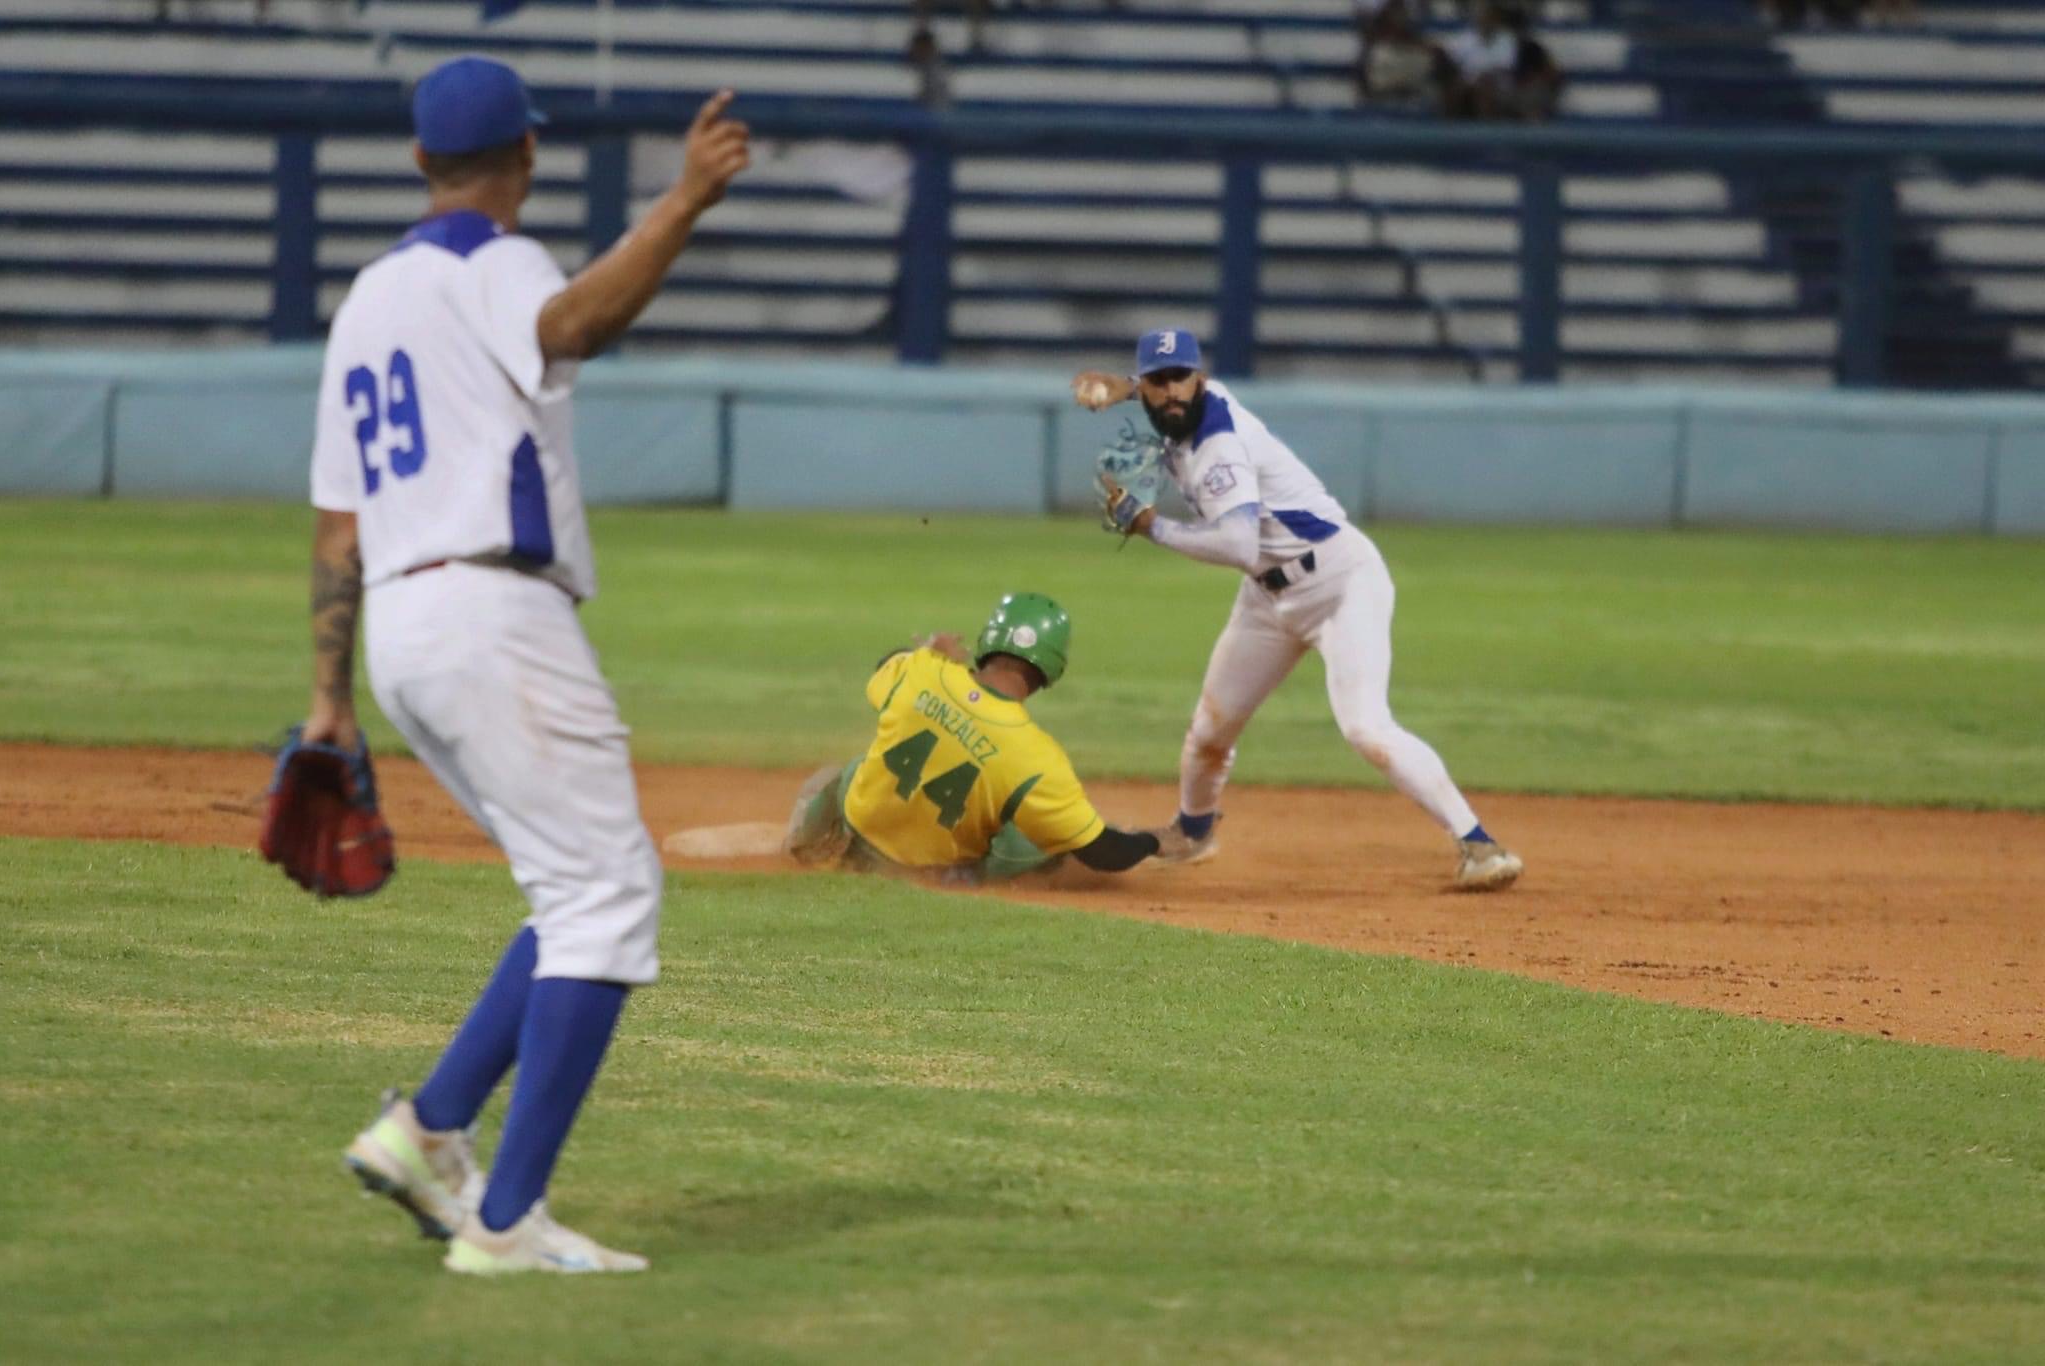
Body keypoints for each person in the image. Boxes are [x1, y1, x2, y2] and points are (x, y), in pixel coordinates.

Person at [305, 55, 748, 1275]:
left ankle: (428, 1129)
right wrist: (682, 203)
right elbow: (574, 327)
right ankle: (504, 1224)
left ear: (416, 162)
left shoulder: (366, 299)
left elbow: (336, 524)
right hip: (494, 611)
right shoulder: (497, 262)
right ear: (530, 155)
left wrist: (329, 699)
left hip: (400, 624)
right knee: (608, 900)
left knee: (569, 891)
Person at [1073, 330, 1525, 892]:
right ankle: (1193, 833)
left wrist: (1152, 527)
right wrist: (1117, 386)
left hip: (1340, 582)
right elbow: (1249, 557)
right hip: (1267, 596)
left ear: (1201, 380)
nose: (1171, 392)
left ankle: (1479, 844)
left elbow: (1238, 546)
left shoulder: (1219, 447)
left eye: (1179, 378)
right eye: (1156, 381)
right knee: (1210, 731)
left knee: (1365, 727)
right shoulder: (1194, 405)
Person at [784, 593, 1188, 882]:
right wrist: (1150, 842)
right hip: (925, 874)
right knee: (1040, 835)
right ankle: (965, 881)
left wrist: (929, 651)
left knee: (851, 771)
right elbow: (1103, 853)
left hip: (860, 834)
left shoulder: (926, 670)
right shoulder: (1037, 758)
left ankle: (812, 852)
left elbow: (883, 665)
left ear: (988, 641)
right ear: (1052, 669)